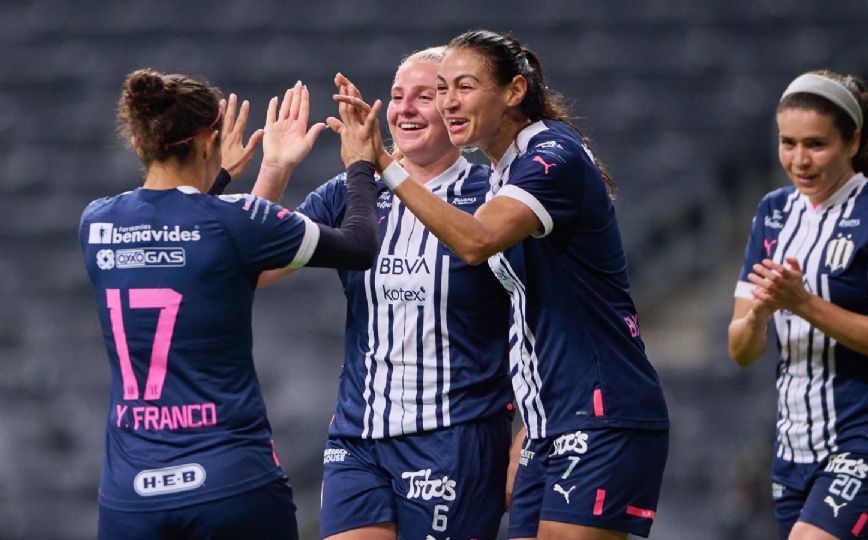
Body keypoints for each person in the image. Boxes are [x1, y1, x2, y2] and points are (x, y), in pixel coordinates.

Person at [333, 29, 670, 540]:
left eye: (463, 87)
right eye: (441, 88)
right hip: (550, 420)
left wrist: (383, 162)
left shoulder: (553, 154)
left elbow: (476, 241)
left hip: (601, 410)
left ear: (514, 92)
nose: (448, 103)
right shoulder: (501, 171)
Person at [79, 69, 379, 540]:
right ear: (207, 141)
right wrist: (360, 167)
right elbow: (360, 246)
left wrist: (220, 178)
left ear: (141, 144)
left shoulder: (96, 222)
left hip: (131, 497)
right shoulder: (234, 220)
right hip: (232, 483)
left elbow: (193, 249)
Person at [253, 47, 515, 540]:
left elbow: (535, 318)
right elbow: (255, 266)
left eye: (425, 96)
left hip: (455, 436)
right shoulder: (351, 191)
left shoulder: (492, 194)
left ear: (453, 109)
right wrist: (275, 169)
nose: (405, 108)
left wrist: (524, 436)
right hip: (358, 438)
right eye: (397, 97)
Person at [727, 70, 868, 540]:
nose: (799, 159)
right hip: (793, 451)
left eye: (815, 144)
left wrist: (803, 303)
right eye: (787, 143)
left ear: (853, 141)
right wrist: (759, 313)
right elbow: (741, 350)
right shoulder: (772, 213)